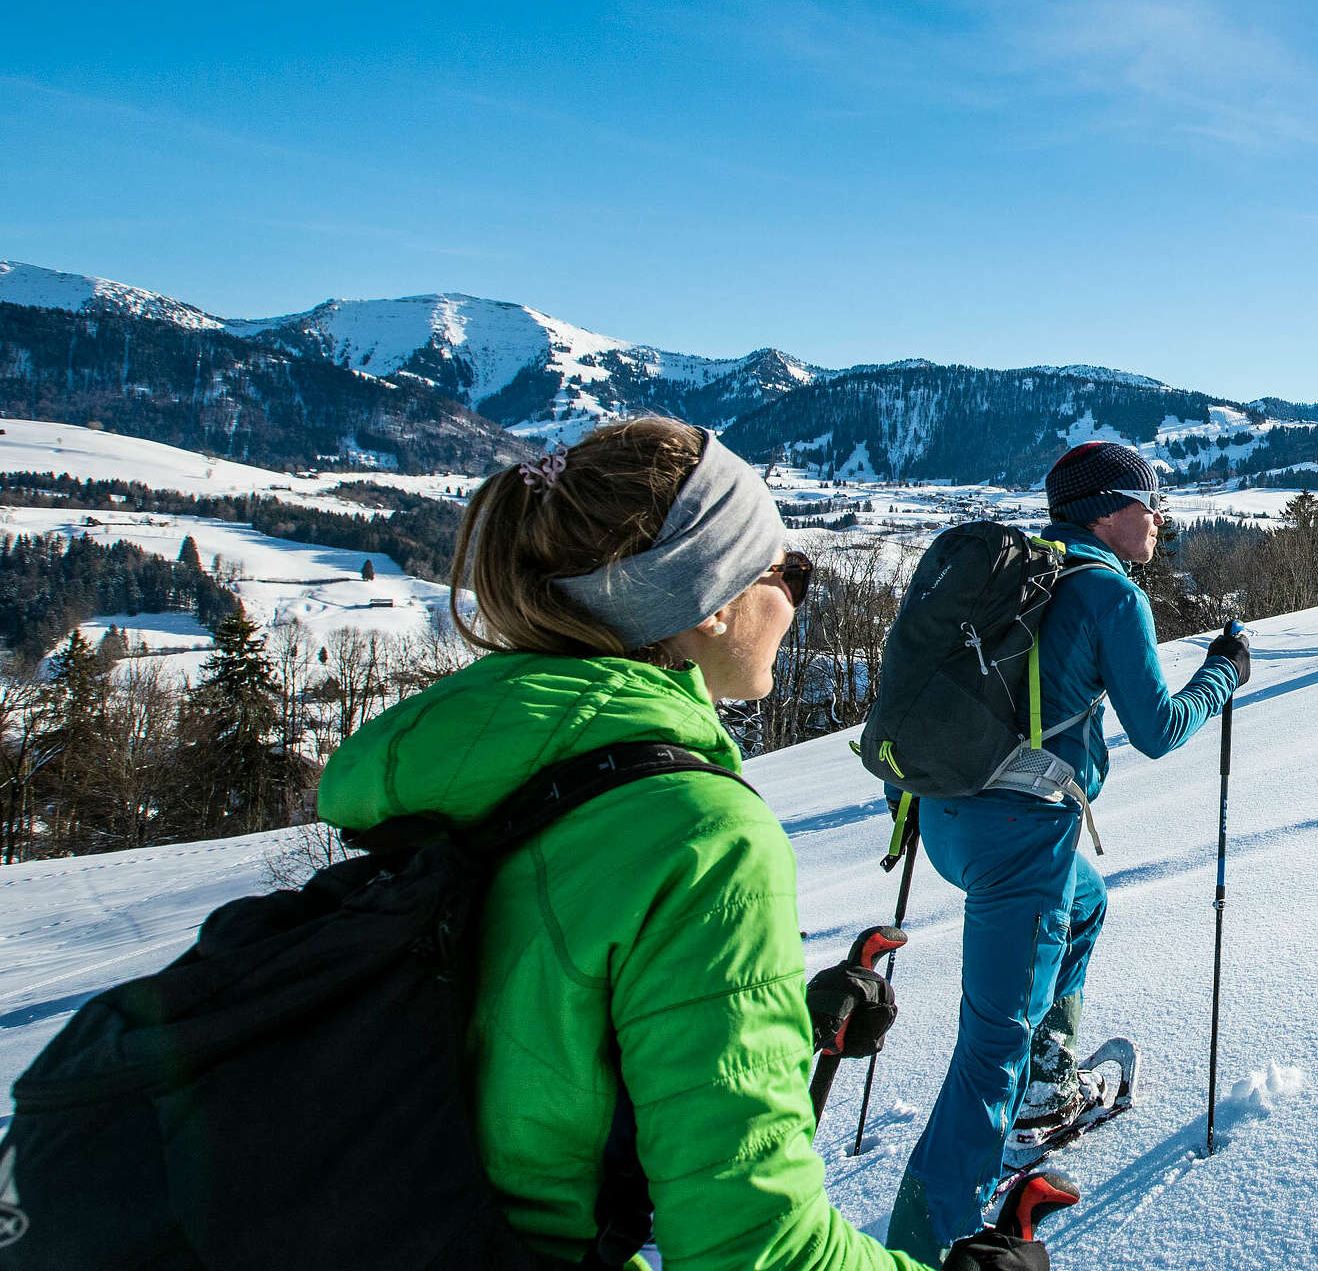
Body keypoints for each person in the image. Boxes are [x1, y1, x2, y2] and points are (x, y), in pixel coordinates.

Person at [315, 419, 1038, 1271]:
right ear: (712, 597)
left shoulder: (481, 765)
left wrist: (751, 1020)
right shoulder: (699, 833)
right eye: (788, 574)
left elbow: (522, 1025)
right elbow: (755, 1252)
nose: (796, 601)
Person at [885, 440, 1247, 1259]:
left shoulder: (1009, 571)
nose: (1158, 518)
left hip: (941, 816)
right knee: (989, 1048)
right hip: (1021, 840)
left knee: (1088, 899)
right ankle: (926, 1242)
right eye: (1148, 502)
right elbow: (1158, 730)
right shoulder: (1107, 593)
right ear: (1110, 509)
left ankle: (1045, 1088)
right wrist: (1224, 673)